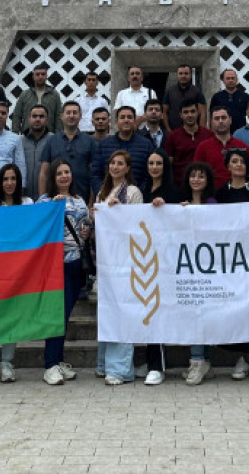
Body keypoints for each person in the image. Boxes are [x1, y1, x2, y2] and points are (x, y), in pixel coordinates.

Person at [211, 149, 249, 382]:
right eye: (234, 161)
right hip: (230, 261)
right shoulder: (220, 194)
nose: (238, 165)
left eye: (242, 162)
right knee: (235, 310)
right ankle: (242, 359)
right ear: (227, 166)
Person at [37, 159, 91, 385]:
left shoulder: (79, 200)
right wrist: (52, 208)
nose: (64, 176)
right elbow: (38, 227)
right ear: (53, 177)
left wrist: (87, 232)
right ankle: (49, 365)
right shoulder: (45, 201)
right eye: (59, 173)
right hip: (54, 266)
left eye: (67, 172)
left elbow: (86, 225)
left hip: (75, 264)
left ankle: (57, 360)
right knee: (55, 315)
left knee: (65, 315)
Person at [0, 164, 33, 386]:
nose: (9, 183)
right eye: (5, 179)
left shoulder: (27, 204)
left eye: (13, 179)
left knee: (12, 315)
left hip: (18, 268)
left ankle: (7, 363)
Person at [95, 151, 145, 385]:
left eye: (120, 164)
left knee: (122, 312)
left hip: (126, 260)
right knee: (108, 311)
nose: (115, 167)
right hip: (106, 260)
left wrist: (120, 210)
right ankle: (104, 364)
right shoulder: (102, 192)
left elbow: (138, 223)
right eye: (112, 163)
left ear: (127, 168)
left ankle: (120, 369)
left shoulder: (133, 192)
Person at [137, 149, 181, 386]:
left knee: (158, 313)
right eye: (151, 163)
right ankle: (151, 360)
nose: (154, 167)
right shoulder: (142, 190)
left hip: (166, 260)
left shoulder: (172, 191)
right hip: (144, 259)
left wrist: (167, 207)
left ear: (165, 166)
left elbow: (179, 218)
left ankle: (158, 366)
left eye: (158, 163)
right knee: (148, 311)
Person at [179, 162, 217, 386]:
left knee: (200, 313)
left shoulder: (212, 204)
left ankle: (197, 360)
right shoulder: (181, 203)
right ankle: (204, 362)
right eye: (192, 175)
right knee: (194, 313)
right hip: (187, 267)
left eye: (201, 176)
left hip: (207, 267)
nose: (196, 180)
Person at [39, 101, 98, 202]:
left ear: (80, 116)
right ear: (62, 116)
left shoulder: (89, 141)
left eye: (75, 113)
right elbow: (44, 173)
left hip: (83, 198)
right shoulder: (52, 141)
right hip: (55, 200)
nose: (71, 116)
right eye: (68, 113)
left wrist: (91, 202)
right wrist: (42, 200)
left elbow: (94, 173)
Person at [91, 106, 154, 195]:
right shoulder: (104, 144)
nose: (126, 120)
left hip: (137, 199)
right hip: (107, 198)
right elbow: (95, 174)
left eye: (129, 117)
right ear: (116, 122)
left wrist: (137, 194)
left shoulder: (146, 144)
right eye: (122, 117)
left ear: (134, 121)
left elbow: (149, 175)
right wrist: (105, 194)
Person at [194, 106, 249, 190]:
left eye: (224, 118)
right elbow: (197, 174)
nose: (220, 121)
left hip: (237, 194)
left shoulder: (242, 146)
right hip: (212, 194)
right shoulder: (203, 147)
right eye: (216, 118)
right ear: (211, 122)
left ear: (230, 120)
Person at [164, 99, 214, 184]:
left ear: (198, 113)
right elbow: (168, 164)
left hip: (204, 182)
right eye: (186, 112)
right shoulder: (173, 136)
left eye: (192, 111)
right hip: (180, 183)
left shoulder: (209, 135)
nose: (189, 115)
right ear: (181, 115)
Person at [11, 64, 62, 133]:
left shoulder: (54, 94)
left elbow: (59, 116)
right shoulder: (25, 94)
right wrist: (15, 133)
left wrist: (57, 135)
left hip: (48, 134)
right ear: (33, 77)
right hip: (28, 134)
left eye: (43, 74)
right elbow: (17, 115)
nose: (40, 76)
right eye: (37, 74)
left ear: (46, 76)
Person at [20, 104, 53, 201]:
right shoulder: (20, 141)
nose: (38, 119)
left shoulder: (53, 140)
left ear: (47, 120)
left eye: (41, 116)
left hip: (46, 197)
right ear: (29, 119)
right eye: (34, 116)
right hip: (23, 198)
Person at [163, 63, 206, 131]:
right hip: (174, 131)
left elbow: (202, 113)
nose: (183, 76)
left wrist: (201, 131)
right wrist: (168, 130)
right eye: (180, 73)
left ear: (190, 75)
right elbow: (164, 112)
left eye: (186, 73)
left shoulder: (197, 92)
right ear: (177, 75)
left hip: (193, 131)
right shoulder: (170, 91)